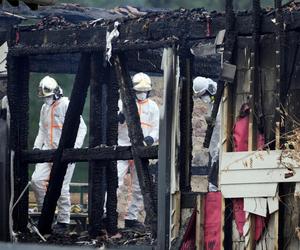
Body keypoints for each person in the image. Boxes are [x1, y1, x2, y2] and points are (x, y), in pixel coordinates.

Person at [31, 76, 87, 234]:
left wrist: (74, 150)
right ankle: (45, 216)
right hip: (48, 151)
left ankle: (63, 221)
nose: (46, 100)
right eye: (44, 97)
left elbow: (81, 128)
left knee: (61, 187)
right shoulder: (44, 108)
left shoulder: (67, 105)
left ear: (56, 93)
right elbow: (42, 129)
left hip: (65, 154)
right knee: (36, 181)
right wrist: (37, 147)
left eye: (48, 96)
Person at [117, 72, 159, 231]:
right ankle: (108, 214)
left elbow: (156, 128)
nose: (141, 94)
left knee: (138, 186)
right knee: (115, 182)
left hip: (141, 149)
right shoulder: (123, 103)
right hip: (123, 146)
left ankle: (131, 218)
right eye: (138, 91)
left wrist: (150, 139)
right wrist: (120, 117)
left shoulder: (153, 107)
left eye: (144, 91)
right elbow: (116, 124)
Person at [193, 76, 220, 192]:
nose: (203, 99)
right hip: (215, 150)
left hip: (220, 149)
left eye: (203, 95)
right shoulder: (214, 104)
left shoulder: (222, 101)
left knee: (214, 183)